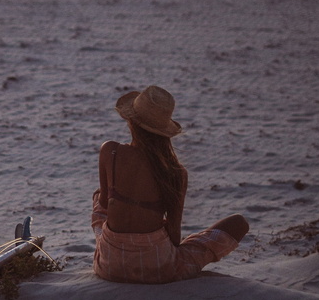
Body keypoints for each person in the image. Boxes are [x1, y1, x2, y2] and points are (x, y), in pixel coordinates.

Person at [92, 85, 249, 284]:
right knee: (238, 223)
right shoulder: (176, 173)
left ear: (130, 121)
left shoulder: (110, 151)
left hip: (109, 265)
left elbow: (104, 205)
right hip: (158, 270)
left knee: (99, 197)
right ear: (164, 132)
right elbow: (175, 237)